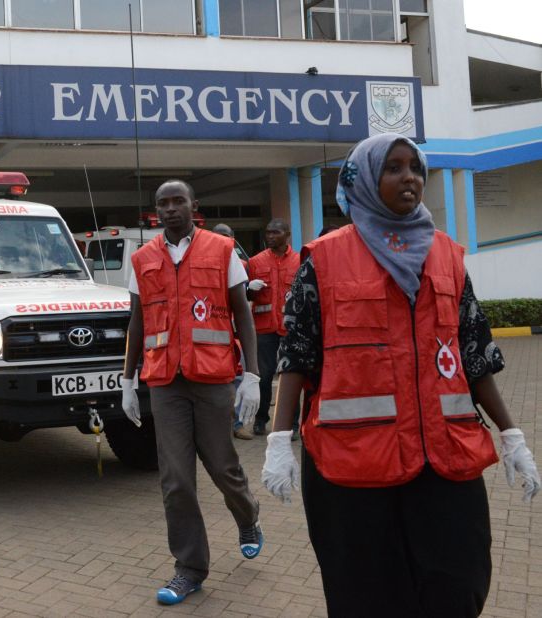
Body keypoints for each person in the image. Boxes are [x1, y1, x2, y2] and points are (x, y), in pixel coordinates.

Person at [261, 134, 539, 618]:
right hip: (353, 467)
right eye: (393, 167)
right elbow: (297, 356)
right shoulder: (323, 260)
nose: (409, 177)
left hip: (444, 458)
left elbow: (473, 353)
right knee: (365, 594)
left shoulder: (448, 256)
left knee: (460, 582)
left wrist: (512, 434)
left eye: (415, 167)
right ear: (364, 179)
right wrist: (279, 439)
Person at [122, 180, 264, 606]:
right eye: (162, 203)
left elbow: (243, 313)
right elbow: (137, 323)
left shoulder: (222, 251)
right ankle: (190, 568)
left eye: (177, 201)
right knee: (176, 480)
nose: (169, 209)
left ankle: (248, 516)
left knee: (223, 468)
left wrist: (253, 375)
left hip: (213, 378)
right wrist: (128, 380)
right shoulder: (142, 259)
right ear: (155, 211)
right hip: (165, 382)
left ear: (193, 206)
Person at [246, 219, 301, 437]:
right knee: (264, 376)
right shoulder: (255, 262)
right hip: (264, 329)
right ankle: (261, 420)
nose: (270, 236)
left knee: (290, 376)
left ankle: (292, 425)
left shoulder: (299, 261)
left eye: (275, 232)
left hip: (289, 329)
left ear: (287, 235)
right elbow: (245, 295)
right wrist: (249, 288)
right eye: (267, 232)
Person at [211, 223, 252, 441]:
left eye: (226, 236)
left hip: (237, 331)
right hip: (216, 331)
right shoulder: (206, 263)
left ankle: (239, 424)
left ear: (233, 237)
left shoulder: (243, 264)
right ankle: (221, 425)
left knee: (241, 378)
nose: (223, 240)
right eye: (218, 236)